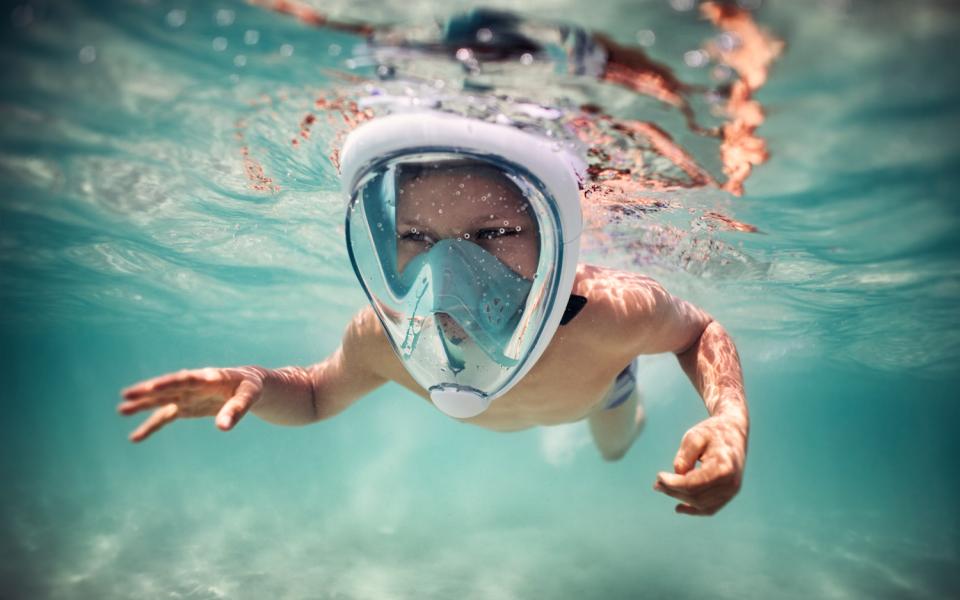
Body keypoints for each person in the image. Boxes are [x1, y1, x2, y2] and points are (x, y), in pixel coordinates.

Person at [120, 107, 750, 517]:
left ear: (557, 240)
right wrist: (259, 385)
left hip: (600, 395)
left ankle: (627, 410)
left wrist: (728, 420)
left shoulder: (611, 315)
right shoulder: (381, 338)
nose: (447, 274)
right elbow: (313, 396)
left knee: (616, 449)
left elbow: (698, 331)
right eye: (417, 239)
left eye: (493, 235)